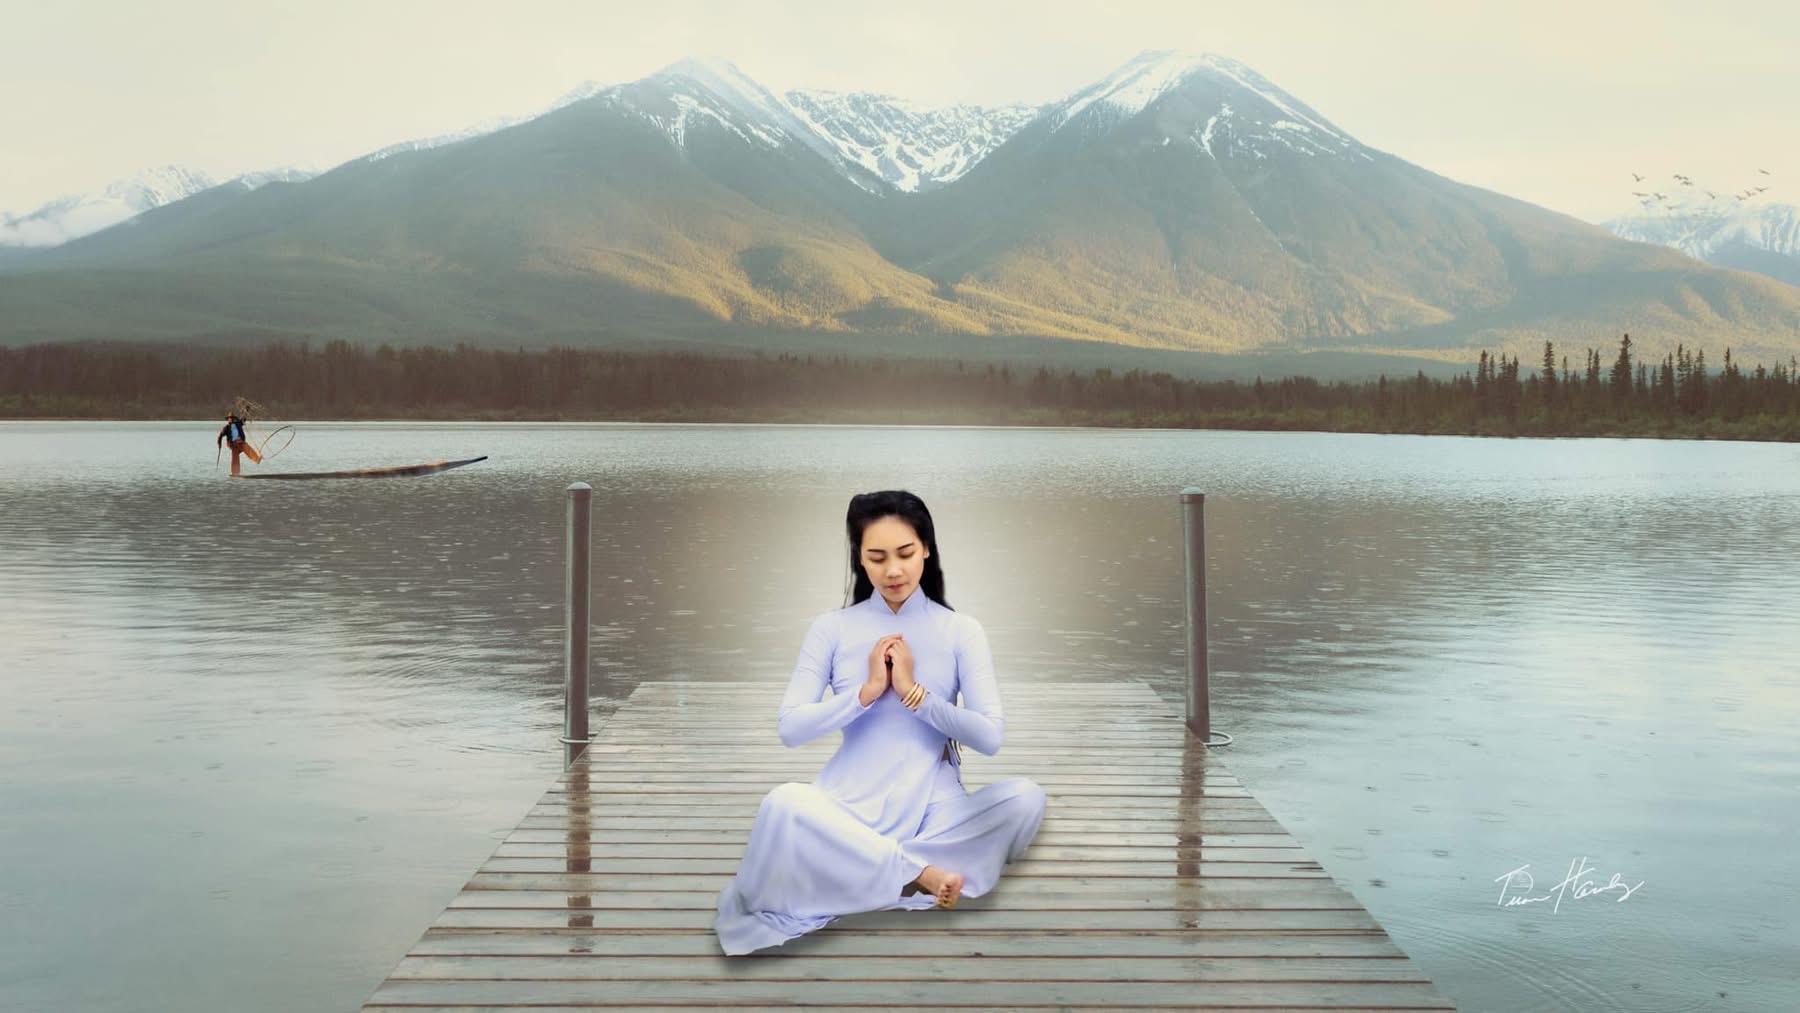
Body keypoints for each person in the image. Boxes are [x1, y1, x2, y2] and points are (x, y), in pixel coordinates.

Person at [714, 490, 1047, 956]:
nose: (893, 570)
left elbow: (990, 737)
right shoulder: (832, 628)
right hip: (851, 803)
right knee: (784, 802)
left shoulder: (960, 630)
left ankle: (872, 869)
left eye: (905, 553)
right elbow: (790, 728)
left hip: (934, 807)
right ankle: (917, 873)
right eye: (877, 557)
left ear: (926, 549)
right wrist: (866, 693)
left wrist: (915, 694)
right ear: (860, 558)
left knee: (1025, 798)